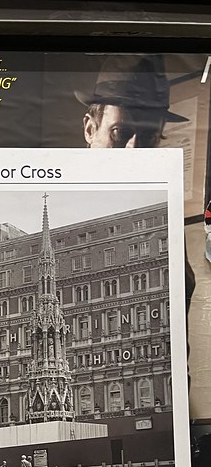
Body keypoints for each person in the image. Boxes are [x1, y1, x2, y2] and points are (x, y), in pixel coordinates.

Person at [77, 53, 195, 314]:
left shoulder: (163, 208)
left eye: (148, 136)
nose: (133, 150)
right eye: (119, 134)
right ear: (90, 130)